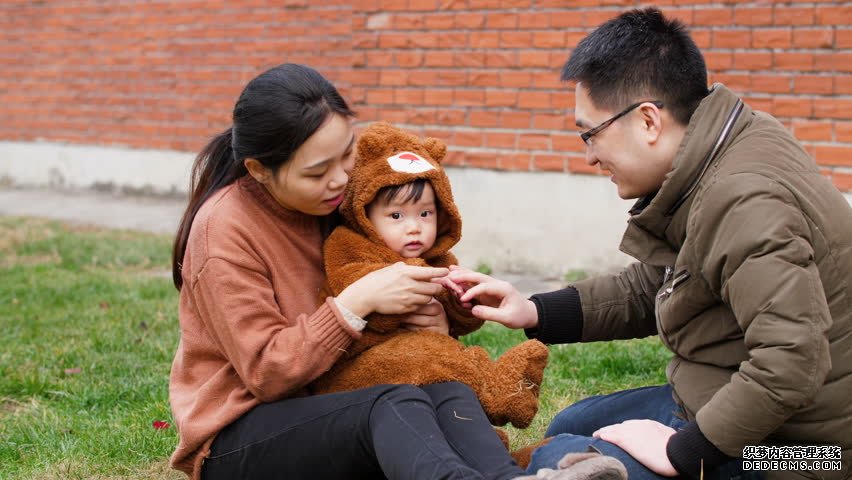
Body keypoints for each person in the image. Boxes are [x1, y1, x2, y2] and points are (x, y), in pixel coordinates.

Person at [446, 7, 852, 480]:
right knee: (568, 429)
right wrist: (534, 311)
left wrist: (684, 453)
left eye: (590, 134)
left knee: (569, 458)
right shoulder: (723, 148)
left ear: (648, 121)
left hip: (802, 454)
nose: (590, 156)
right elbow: (659, 284)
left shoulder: (743, 200)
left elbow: (793, 360)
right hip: (726, 405)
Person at [167, 63, 624, 480]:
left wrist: (437, 319)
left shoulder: (339, 200)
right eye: (317, 171)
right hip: (240, 438)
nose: (339, 178)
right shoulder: (224, 231)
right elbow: (267, 374)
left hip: (334, 402)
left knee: (440, 385)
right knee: (393, 403)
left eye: (346, 155)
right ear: (259, 170)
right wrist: (358, 301)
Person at [310, 121, 549, 430]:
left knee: (442, 369)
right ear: (365, 216)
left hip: (421, 367)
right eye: (396, 216)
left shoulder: (440, 259)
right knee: (433, 356)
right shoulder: (348, 245)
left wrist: (463, 302)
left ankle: (490, 441)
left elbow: (460, 324)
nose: (414, 227)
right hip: (361, 365)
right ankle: (496, 390)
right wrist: (420, 280)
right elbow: (353, 282)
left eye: (425, 213)